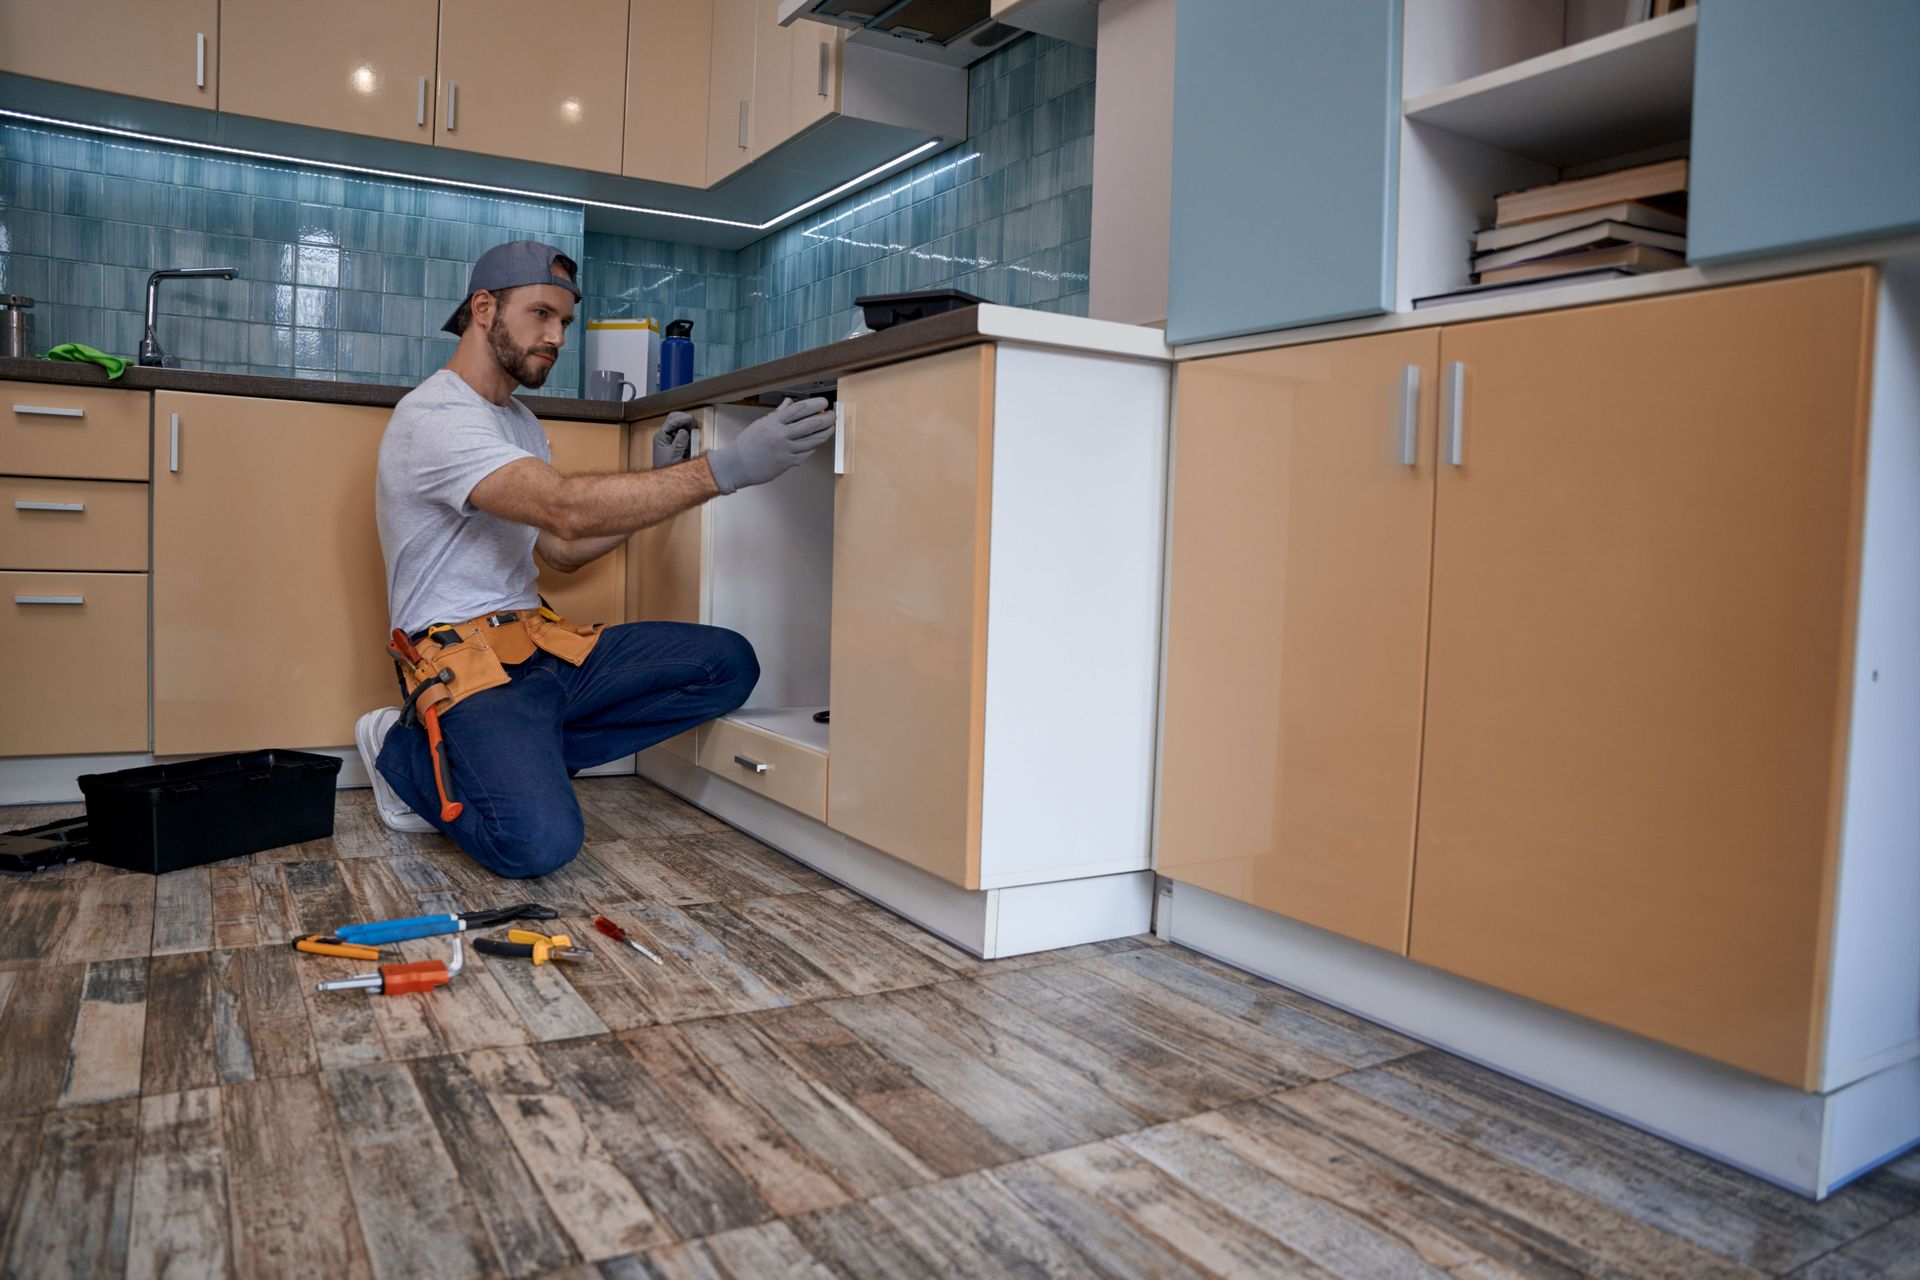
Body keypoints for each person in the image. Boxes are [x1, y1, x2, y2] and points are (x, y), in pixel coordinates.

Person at [355, 240, 835, 877]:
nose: (556, 336)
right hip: (462, 665)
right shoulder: (436, 417)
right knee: (539, 845)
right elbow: (564, 509)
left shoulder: (518, 420)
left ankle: (520, 756)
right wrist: (726, 469)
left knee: (727, 664)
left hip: (542, 648)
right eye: (541, 314)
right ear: (483, 308)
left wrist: (656, 484)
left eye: (564, 323)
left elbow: (561, 550)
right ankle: (402, 751)